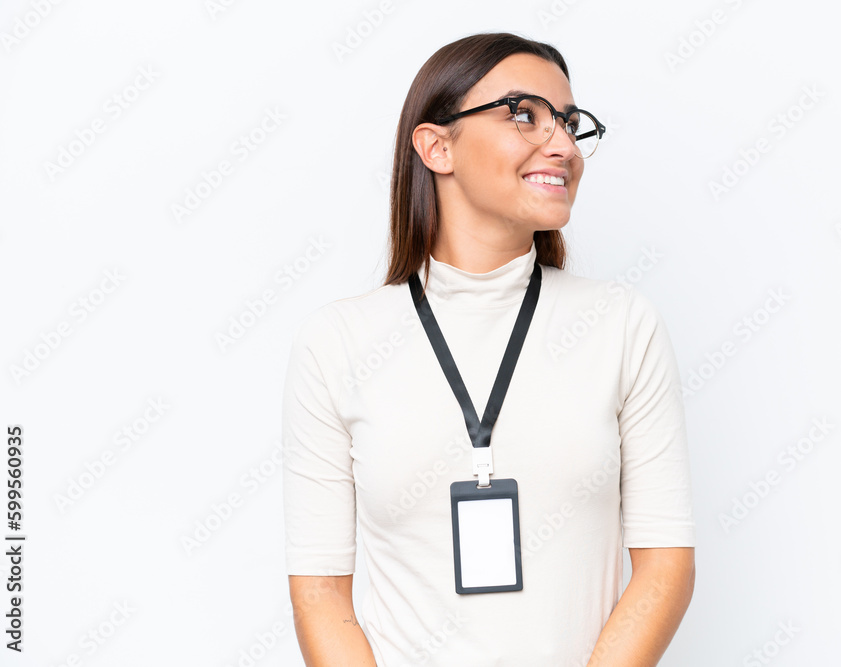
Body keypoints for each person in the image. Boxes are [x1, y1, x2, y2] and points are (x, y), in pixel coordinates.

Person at [282, 31, 696, 667]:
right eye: (524, 115)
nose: (561, 144)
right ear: (437, 146)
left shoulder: (620, 324)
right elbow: (319, 589)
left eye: (568, 121)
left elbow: (665, 565)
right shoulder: (339, 342)